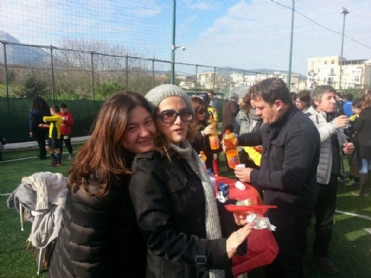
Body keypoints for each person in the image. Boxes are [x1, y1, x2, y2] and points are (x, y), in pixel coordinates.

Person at [129, 84, 253, 278]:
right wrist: (217, 249)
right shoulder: (148, 167)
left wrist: (230, 215)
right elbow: (158, 237)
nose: (178, 121)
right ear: (153, 120)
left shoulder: (187, 155)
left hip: (198, 266)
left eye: (184, 113)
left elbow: (197, 207)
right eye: (168, 115)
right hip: (177, 270)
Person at [48, 91, 157, 278]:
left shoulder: (137, 159)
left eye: (148, 122)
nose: (145, 132)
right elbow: (87, 258)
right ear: (114, 131)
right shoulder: (98, 177)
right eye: (132, 127)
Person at [230, 78, 321, 278]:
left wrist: (252, 175)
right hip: (274, 202)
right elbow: (260, 135)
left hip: (292, 210)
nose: (258, 113)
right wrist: (238, 139)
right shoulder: (275, 121)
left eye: (261, 108)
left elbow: (292, 179)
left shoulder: (300, 131)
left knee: (288, 261)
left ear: (278, 104)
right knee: (273, 254)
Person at [305, 85, 354, 275]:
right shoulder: (307, 118)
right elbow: (311, 140)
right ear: (317, 101)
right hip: (312, 180)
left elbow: (340, 142)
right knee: (304, 220)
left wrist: (347, 147)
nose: (334, 101)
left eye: (335, 98)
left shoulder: (334, 119)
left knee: (326, 221)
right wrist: (334, 125)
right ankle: (298, 254)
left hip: (331, 178)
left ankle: (321, 255)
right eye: (329, 98)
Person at [351, 92, 371, 197]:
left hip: (364, 143)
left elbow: (357, 128)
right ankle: (367, 188)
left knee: (364, 166)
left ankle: (364, 191)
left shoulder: (365, 113)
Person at [190, 96, 215, 171]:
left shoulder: (204, 124)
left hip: (206, 161)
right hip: (194, 162)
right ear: (194, 111)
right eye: (201, 111)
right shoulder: (186, 126)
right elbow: (187, 142)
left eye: (205, 110)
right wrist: (202, 133)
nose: (204, 113)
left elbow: (209, 144)